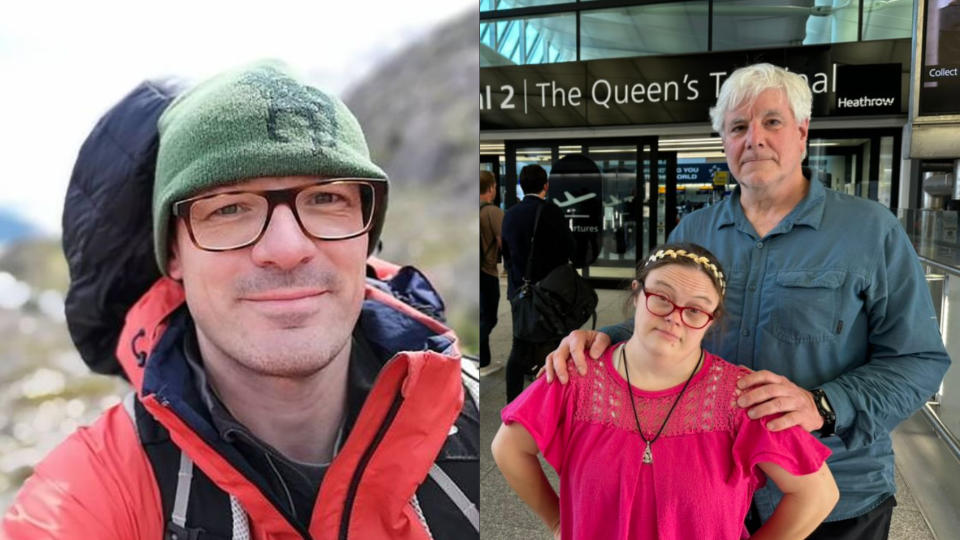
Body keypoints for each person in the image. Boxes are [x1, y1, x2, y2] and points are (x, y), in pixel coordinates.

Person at [2, 60, 478, 539]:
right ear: (174, 254)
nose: (288, 249)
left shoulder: (493, 421)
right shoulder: (97, 491)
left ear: (367, 233)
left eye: (327, 199)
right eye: (229, 208)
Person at [544, 63, 951, 539]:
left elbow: (919, 359)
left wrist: (824, 404)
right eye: (738, 127)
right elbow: (670, 321)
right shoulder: (693, 232)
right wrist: (599, 339)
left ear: (802, 132)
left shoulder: (870, 230)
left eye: (771, 122)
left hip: (836, 497)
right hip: (710, 493)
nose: (753, 138)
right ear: (724, 143)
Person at [493, 243, 839, 539]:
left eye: (695, 310)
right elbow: (508, 448)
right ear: (637, 294)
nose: (675, 317)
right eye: (662, 298)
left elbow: (817, 494)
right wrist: (557, 520)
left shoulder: (742, 396)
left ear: (712, 320)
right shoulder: (578, 374)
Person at [501, 164, 574, 402]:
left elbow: (507, 256)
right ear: (546, 186)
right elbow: (569, 249)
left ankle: (512, 401)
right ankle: (548, 400)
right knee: (552, 342)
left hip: (520, 292)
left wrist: (515, 286)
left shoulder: (510, 214)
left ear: (522, 186)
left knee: (520, 344)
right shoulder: (552, 212)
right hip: (549, 292)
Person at [479, 170, 504, 376]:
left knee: (479, 315)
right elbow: (503, 242)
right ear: (490, 188)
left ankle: (483, 359)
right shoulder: (492, 212)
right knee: (489, 317)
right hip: (487, 272)